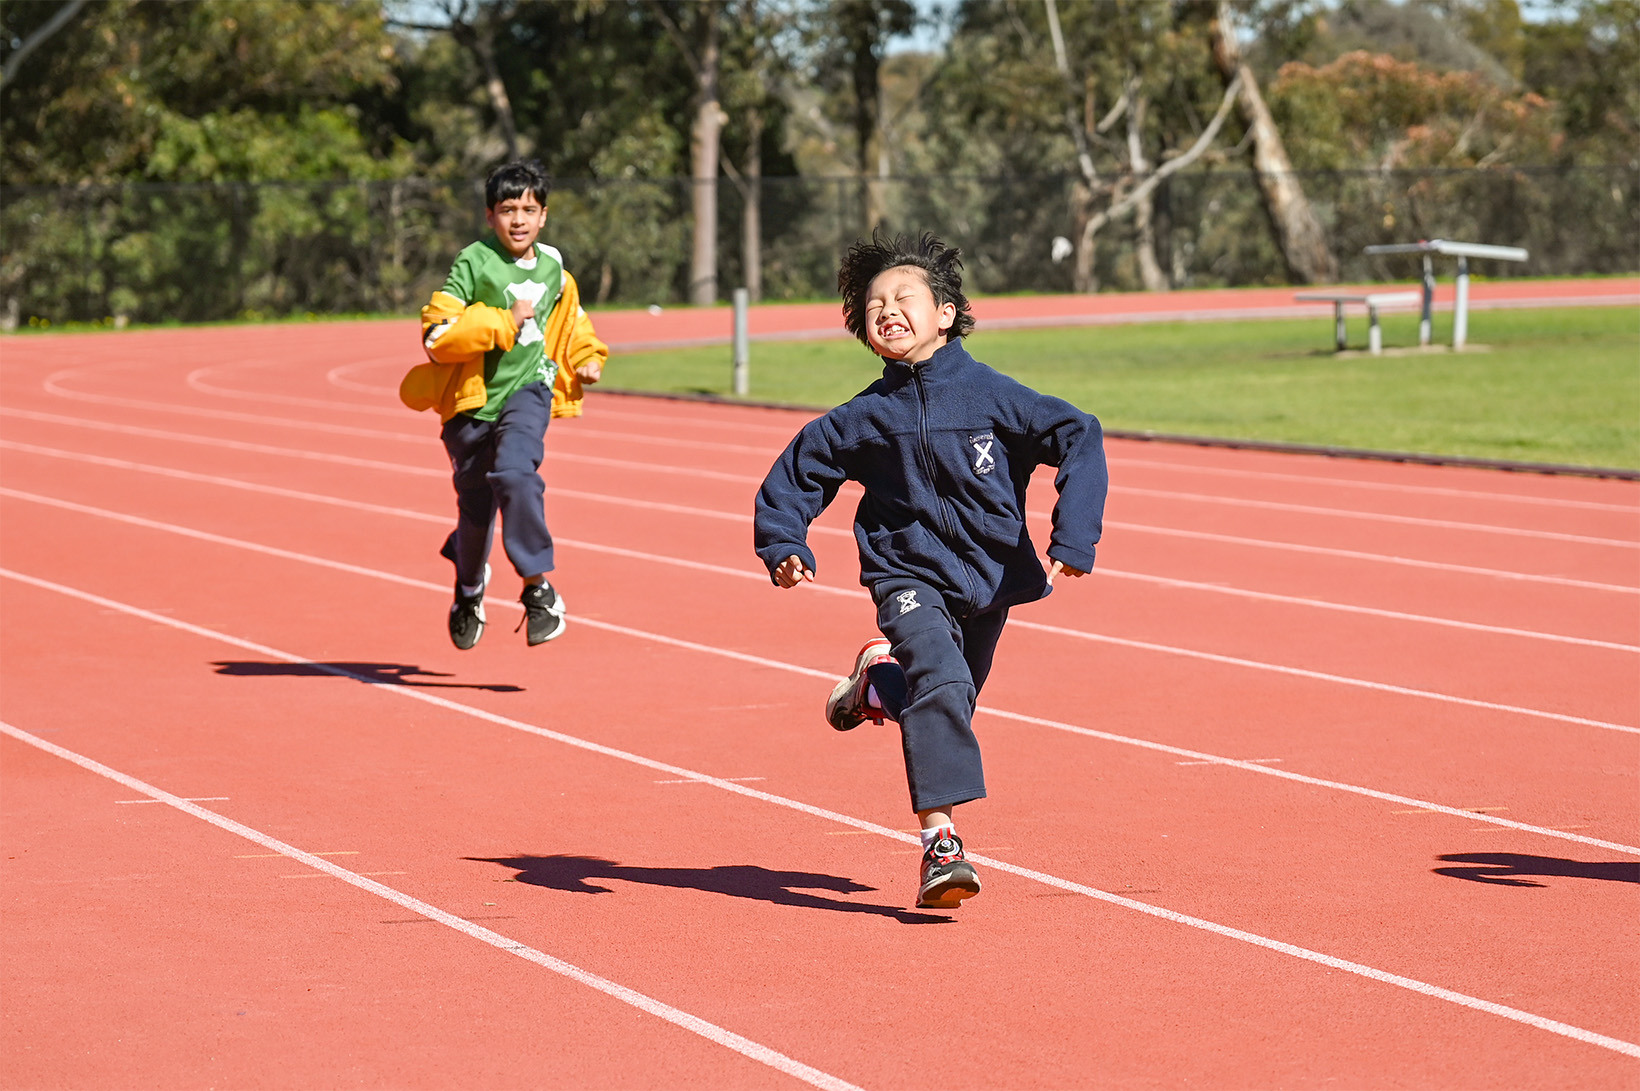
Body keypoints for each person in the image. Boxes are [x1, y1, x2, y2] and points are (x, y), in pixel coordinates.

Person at [753, 232, 1108, 909]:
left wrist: (1076, 535)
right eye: (873, 305)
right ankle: (941, 844)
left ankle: (878, 683)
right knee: (942, 683)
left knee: (951, 700)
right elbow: (800, 469)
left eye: (902, 297)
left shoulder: (993, 397)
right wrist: (783, 539)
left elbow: (1079, 434)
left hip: (989, 578)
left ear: (945, 311)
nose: (885, 310)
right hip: (906, 574)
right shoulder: (864, 417)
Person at [399, 158, 608, 650]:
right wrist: (503, 322)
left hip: (529, 389)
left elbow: (572, 322)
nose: (519, 219)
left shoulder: (555, 266)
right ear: (490, 215)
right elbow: (437, 335)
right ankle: (469, 589)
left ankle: (539, 588)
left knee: (515, 474)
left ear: (544, 216)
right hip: (470, 405)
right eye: (508, 209)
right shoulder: (473, 262)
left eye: (529, 209)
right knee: (475, 512)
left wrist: (588, 357)